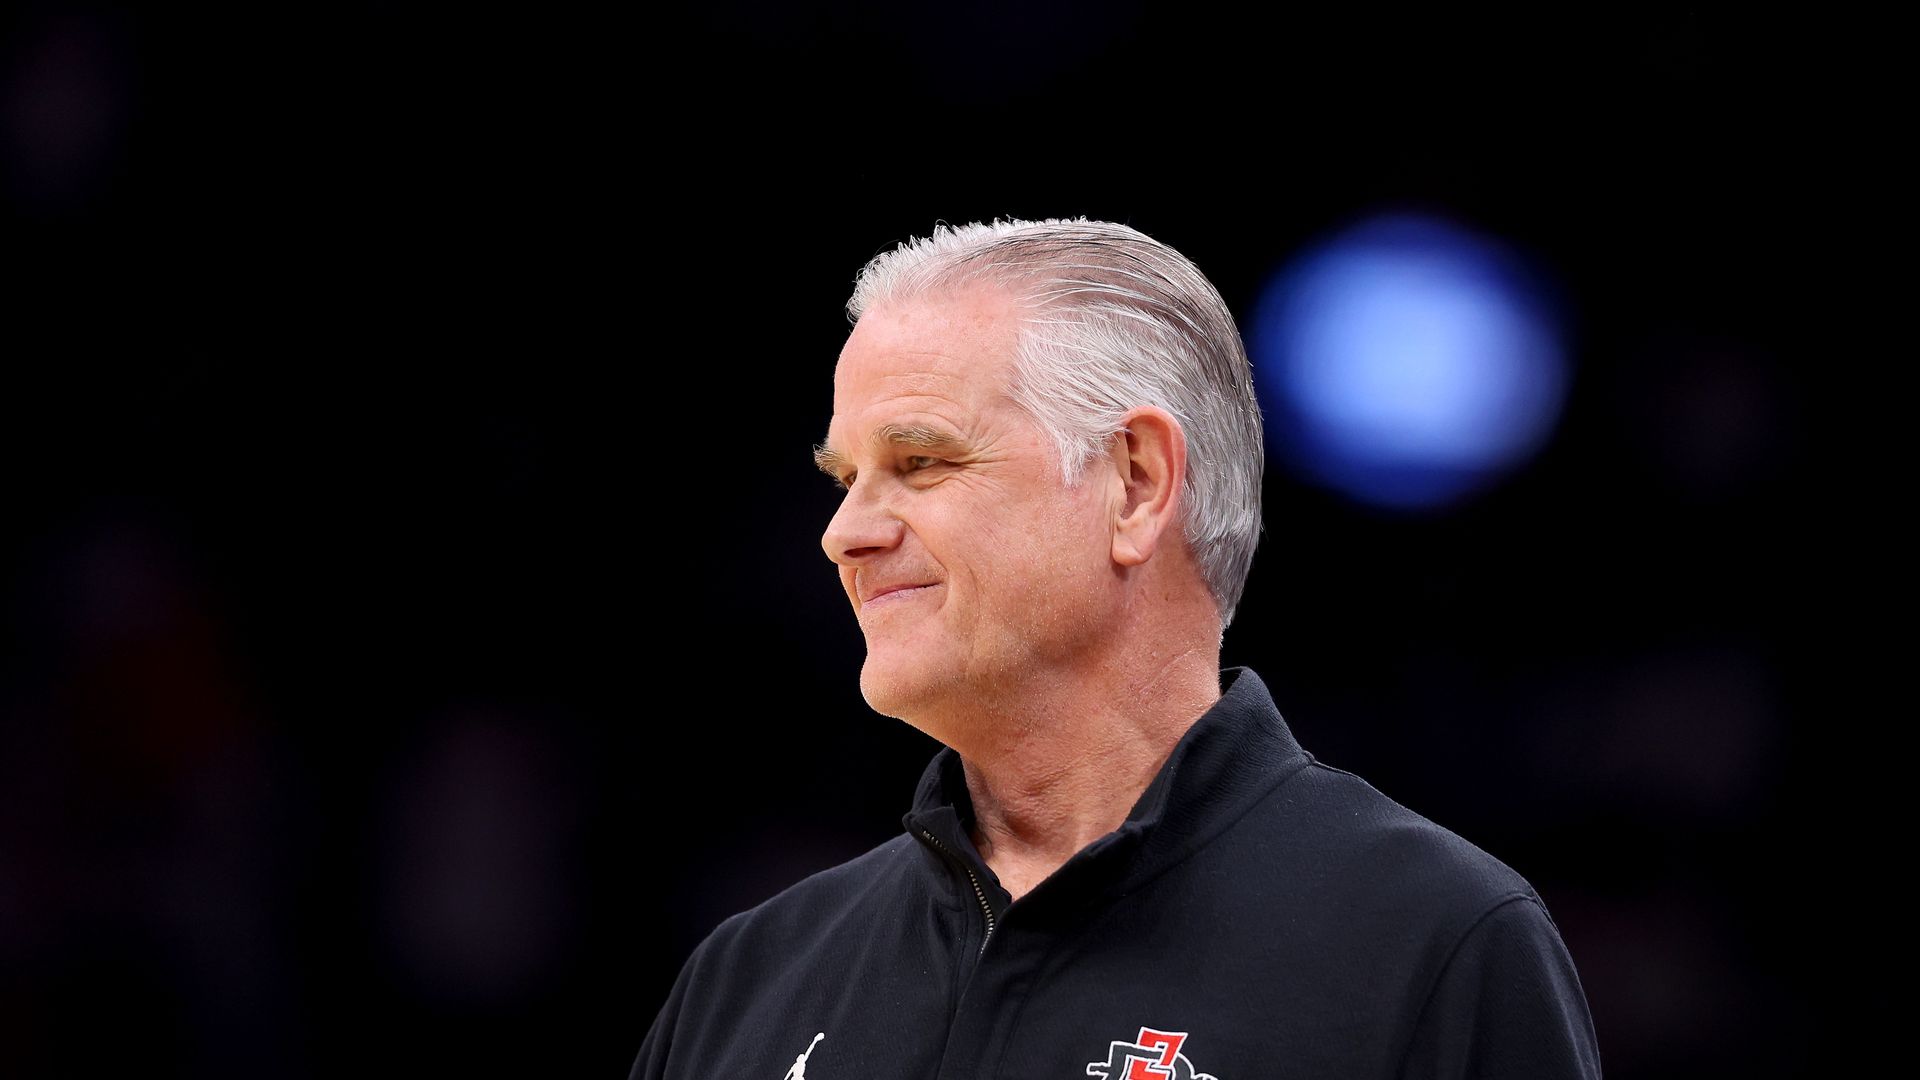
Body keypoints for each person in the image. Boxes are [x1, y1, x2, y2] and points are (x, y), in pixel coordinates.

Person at [631, 218, 1601, 1079]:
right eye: (846, 479)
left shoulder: (1433, 945)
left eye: (920, 461)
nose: (843, 534)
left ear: (1135, 484)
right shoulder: (747, 979)